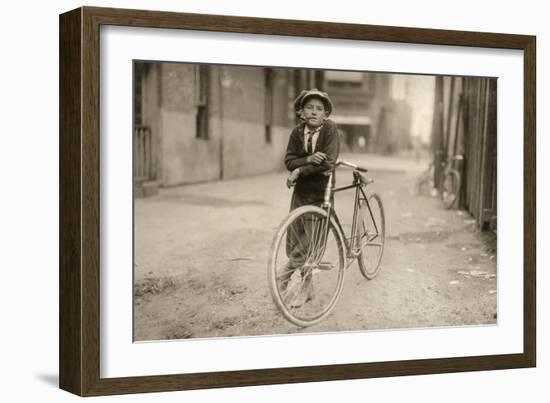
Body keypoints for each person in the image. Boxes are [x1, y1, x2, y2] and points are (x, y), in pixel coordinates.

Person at [281, 88, 340, 306]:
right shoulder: (297, 133)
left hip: (320, 192)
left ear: (326, 114)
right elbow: (288, 160)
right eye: (309, 108)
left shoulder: (330, 129)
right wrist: (307, 160)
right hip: (301, 193)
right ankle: (306, 287)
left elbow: (328, 163)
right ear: (301, 112)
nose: (314, 112)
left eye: (319, 109)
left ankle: (284, 277)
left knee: (312, 242)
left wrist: (299, 171)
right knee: (296, 236)